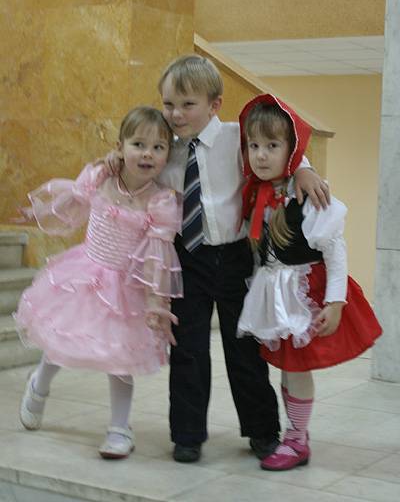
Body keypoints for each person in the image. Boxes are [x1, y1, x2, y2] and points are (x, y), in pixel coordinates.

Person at [106, 54, 330, 463]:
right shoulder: (166, 149)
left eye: (187, 104)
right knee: (188, 350)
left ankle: (263, 430)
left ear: (215, 104)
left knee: (244, 348)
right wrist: (115, 160)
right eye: (169, 103)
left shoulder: (236, 137)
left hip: (235, 256)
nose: (176, 113)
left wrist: (304, 169)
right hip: (187, 259)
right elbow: (137, 164)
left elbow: (278, 148)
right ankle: (187, 435)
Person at [13, 106, 183, 460]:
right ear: (120, 147)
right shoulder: (101, 177)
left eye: (158, 147)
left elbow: (158, 256)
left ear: (167, 155)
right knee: (61, 340)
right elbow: (72, 204)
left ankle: (120, 428)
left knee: (119, 360)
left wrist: (157, 301)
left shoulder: (161, 201)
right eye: (138, 144)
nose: (147, 154)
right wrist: (100, 168)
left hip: (127, 290)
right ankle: (39, 385)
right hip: (84, 276)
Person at [237, 94, 383, 471]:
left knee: (297, 367)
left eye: (272, 146)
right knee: (288, 367)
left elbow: (335, 252)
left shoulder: (309, 195)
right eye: (254, 146)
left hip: (303, 293)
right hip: (273, 291)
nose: (261, 156)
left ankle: (297, 439)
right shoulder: (257, 192)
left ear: (292, 150)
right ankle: (295, 434)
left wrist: (335, 302)